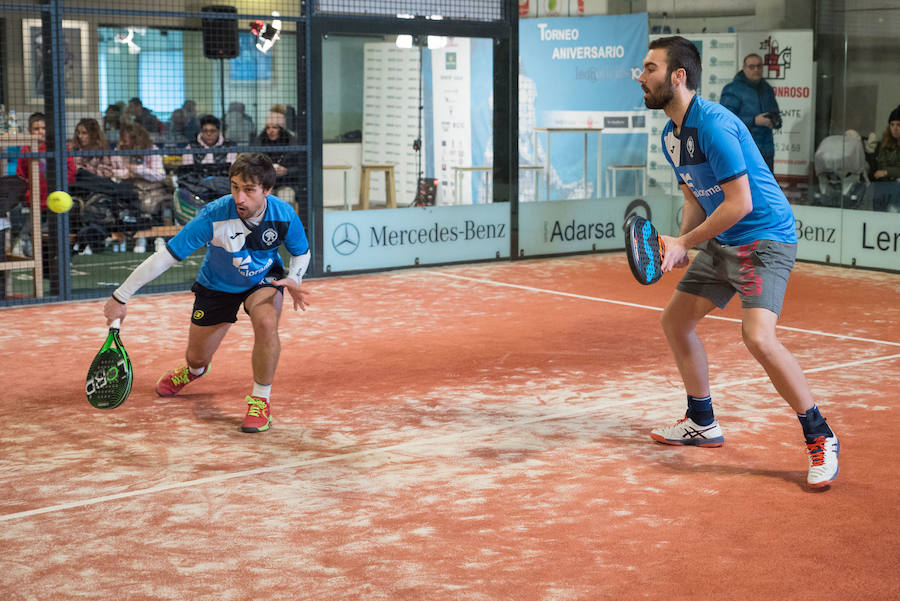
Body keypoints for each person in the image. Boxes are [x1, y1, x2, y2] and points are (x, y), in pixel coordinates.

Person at [636, 36, 840, 488]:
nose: (641, 76)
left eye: (649, 68)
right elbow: (695, 197)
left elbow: (740, 203)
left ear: (678, 76)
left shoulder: (714, 124)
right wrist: (681, 242)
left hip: (764, 238)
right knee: (676, 322)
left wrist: (685, 241)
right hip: (722, 239)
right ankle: (702, 421)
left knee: (759, 339)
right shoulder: (672, 135)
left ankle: (820, 434)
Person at [103, 153, 311, 433]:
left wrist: (294, 278)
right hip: (216, 285)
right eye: (235, 187)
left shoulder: (284, 214)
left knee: (266, 322)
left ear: (267, 191)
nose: (240, 197)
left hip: (263, 280)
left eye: (249, 190)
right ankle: (193, 372)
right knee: (197, 358)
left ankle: (260, 401)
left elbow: (301, 252)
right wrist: (120, 296)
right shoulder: (213, 215)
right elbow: (166, 257)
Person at [720, 53, 781, 172]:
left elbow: (775, 113)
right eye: (751, 67)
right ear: (744, 68)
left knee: (766, 189)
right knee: (746, 190)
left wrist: (775, 121)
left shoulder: (767, 89)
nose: (756, 70)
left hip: (766, 151)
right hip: (743, 151)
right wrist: (754, 120)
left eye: (759, 66)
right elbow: (725, 120)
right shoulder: (732, 89)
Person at [113, 121, 167, 218]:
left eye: (125, 141)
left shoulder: (152, 150)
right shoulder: (119, 150)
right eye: (121, 139)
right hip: (127, 191)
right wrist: (126, 173)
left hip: (150, 192)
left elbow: (160, 175)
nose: (121, 143)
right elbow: (113, 171)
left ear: (135, 141)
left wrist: (137, 169)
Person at [256, 106, 300, 207]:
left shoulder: (292, 143)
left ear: (282, 129)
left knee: (287, 198)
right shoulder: (259, 142)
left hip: (286, 184)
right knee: (263, 200)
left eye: (275, 127)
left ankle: (285, 223)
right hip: (264, 184)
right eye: (268, 127)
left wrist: (287, 171)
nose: (270, 131)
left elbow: (301, 168)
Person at [871, 105, 900, 182]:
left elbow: (884, 171)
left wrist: (887, 172)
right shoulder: (885, 143)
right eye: (892, 124)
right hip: (887, 185)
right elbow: (880, 168)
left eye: (899, 125)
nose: (895, 128)